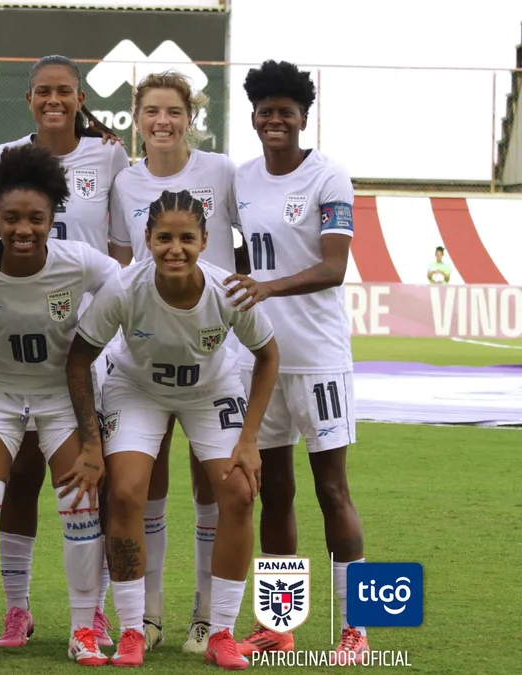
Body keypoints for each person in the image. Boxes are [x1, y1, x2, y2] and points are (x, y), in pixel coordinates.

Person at [69, 189, 279, 669]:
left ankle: (221, 632)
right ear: (147, 239)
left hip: (210, 390)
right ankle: (131, 631)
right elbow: (78, 360)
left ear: (204, 241)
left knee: (239, 493)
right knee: (125, 493)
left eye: (187, 238)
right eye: (164, 238)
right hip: (138, 389)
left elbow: (268, 356)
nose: (175, 249)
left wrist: (249, 440)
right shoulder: (123, 287)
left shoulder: (228, 291)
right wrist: (91, 443)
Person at [0, 143, 116, 666]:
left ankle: (84, 629)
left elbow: (133, 289)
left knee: (80, 510)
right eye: (11, 218)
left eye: (36, 218)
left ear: (52, 216)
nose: (23, 229)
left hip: (61, 396)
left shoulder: (80, 262)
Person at [0, 54, 131, 648]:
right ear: (28, 99)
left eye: (64, 91)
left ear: (80, 98)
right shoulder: (4, 156)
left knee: (89, 479)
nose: (53, 100)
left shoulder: (111, 155)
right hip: (23, 338)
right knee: (20, 476)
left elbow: (120, 248)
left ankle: (93, 612)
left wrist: (109, 322)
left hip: (90, 339)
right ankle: (17, 609)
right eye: (42, 91)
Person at [226, 60, 370, 663]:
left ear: (303, 118)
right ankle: (279, 626)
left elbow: (334, 267)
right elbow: (238, 251)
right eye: (266, 112)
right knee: (274, 491)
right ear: (254, 119)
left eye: (286, 111)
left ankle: (356, 630)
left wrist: (267, 287)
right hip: (260, 358)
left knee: (331, 489)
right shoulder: (242, 179)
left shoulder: (328, 177)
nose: (275, 120)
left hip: (317, 358)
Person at [108, 70, 247, 653]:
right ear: (137, 118)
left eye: (173, 111)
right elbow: (121, 263)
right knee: (143, 484)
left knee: (216, 488)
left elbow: (246, 242)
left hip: (213, 352)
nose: (162, 121)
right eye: (151, 111)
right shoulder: (124, 180)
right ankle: (148, 616)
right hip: (145, 355)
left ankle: (208, 617)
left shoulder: (222, 171)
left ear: (191, 117)